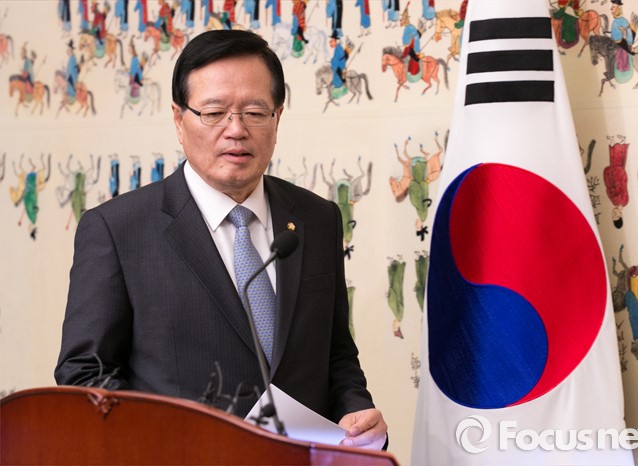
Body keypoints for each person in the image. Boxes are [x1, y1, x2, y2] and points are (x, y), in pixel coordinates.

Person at [54, 29, 388, 451]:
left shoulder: (317, 219)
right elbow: (85, 374)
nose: (236, 130)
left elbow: (335, 355)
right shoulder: (117, 229)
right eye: (214, 113)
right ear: (179, 120)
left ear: (277, 118)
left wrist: (357, 412)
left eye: (255, 112)